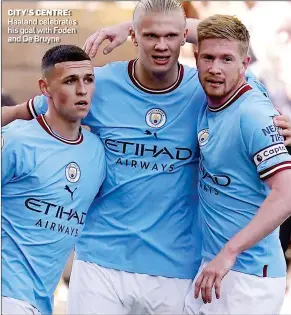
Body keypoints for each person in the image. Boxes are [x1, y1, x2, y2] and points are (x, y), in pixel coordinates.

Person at [2, 1, 291, 314]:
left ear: (184, 38)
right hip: (100, 264)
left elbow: (227, 48)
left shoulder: (211, 88)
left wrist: (130, 28)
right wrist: (130, 27)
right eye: (150, 35)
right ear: (135, 38)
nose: (161, 45)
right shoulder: (96, 84)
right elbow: (19, 112)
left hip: (178, 271)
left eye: (171, 35)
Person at [183, 15, 291, 315]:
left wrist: (230, 252)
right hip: (214, 265)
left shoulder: (252, 114)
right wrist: (125, 29)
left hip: (249, 276)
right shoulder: (215, 96)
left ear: (244, 64)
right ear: (196, 57)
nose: (216, 68)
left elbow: (287, 194)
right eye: (208, 58)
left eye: (226, 59)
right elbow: (177, 27)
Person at [1, 45, 106, 315]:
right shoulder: (16, 141)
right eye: (70, 81)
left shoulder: (97, 152)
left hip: (41, 300)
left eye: (88, 80)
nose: (82, 90)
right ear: (44, 87)